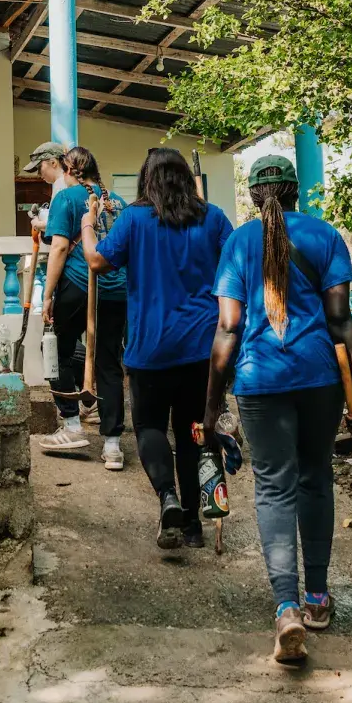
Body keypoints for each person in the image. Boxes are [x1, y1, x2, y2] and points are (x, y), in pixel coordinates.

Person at [206, 155, 352, 665]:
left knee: (275, 486)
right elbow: (340, 320)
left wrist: (211, 406)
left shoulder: (237, 243)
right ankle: (319, 598)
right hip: (320, 377)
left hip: (261, 381)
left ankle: (287, 607)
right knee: (316, 479)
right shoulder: (325, 237)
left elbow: (228, 329)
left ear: (254, 196)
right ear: (295, 192)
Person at [83, 147, 233, 548]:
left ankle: (167, 496)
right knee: (191, 433)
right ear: (185, 177)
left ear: (146, 180)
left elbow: (97, 262)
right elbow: (236, 266)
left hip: (150, 349)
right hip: (203, 348)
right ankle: (192, 523)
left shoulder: (134, 219)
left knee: (149, 427)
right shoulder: (213, 217)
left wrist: (86, 228)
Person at [39, 147, 128, 469]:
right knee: (108, 362)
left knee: (55, 352)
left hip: (79, 285)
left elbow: (60, 246)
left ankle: (72, 425)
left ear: (68, 169)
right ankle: (113, 445)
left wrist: (47, 294)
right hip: (118, 290)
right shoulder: (118, 201)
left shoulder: (67, 197)